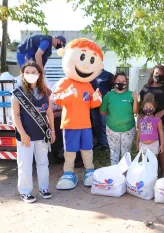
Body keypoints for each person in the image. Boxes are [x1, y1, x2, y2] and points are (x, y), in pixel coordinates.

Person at [52, 38, 103, 190]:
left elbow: (93, 104)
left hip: (85, 124)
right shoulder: (64, 82)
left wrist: (97, 99)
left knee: (87, 149)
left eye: (91, 60)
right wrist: (68, 95)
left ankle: (89, 170)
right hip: (70, 124)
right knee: (70, 150)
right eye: (82, 57)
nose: (86, 65)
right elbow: (56, 99)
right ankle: (68, 172)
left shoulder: (88, 85)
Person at [11, 61, 56, 203]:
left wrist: (52, 130)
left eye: (34, 72)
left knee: (43, 163)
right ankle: (25, 191)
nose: (31, 75)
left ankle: (44, 188)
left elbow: (49, 112)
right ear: (22, 74)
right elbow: (15, 115)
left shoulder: (45, 91)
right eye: (27, 72)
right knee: (25, 164)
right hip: (25, 136)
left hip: (42, 134)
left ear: (39, 74)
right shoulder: (18, 93)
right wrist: (23, 134)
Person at [139, 64, 164, 177]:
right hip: (147, 124)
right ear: (152, 74)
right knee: (148, 147)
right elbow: (140, 104)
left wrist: (162, 112)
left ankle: (163, 172)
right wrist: (141, 115)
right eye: (156, 73)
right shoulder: (145, 88)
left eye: (161, 74)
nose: (158, 75)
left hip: (163, 122)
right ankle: (150, 171)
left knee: (161, 147)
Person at [100, 72, 139, 165]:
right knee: (114, 154)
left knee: (126, 154)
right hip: (112, 129)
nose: (121, 83)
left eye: (123, 81)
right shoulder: (108, 95)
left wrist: (136, 99)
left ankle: (126, 175)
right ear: (114, 81)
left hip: (128, 130)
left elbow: (135, 111)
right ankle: (115, 175)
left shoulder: (131, 95)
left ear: (126, 82)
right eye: (118, 80)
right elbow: (103, 111)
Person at [90, 69, 114, 150]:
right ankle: (99, 142)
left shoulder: (108, 75)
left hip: (104, 103)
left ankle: (105, 143)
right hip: (93, 103)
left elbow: (112, 89)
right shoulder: (90, 74)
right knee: (96, 124)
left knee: (104, 124)